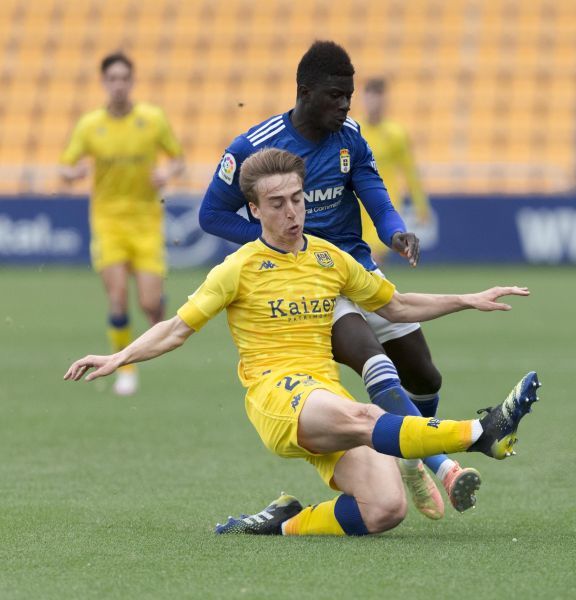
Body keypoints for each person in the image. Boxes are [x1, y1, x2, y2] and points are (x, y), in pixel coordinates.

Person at [64, 148, 541, 538]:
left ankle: (281, 522)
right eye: (276, 203)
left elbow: (395, 307)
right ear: (253, 209)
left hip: (323, 392)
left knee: (385, 509)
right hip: (276, 396)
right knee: (368, 414)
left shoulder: (328, 258)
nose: (291, 212)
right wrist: (120, 356)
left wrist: (466, 298)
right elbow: (176, 327)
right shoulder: (239, 267)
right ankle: (483, 433)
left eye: (297, 198)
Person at [198, 41, 474, 519]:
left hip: (355, 267)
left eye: (349, 94)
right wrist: (272, 242)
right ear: (304, 92)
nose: (346, 104)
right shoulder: (254, 147)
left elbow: (374, 192)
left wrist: (395, 231)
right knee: (371, 357)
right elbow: (210, 214)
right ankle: (440, 463)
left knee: (425, 375)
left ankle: (409, 459)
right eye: (335, 96)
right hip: (307, 282)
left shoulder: (350, 135)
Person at [60, 51, 185, 396]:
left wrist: (167, 173)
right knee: (117, 298)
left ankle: (156, 306)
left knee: (149, 305)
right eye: (111, 79)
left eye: (123, 79)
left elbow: (178, 160)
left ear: (132, 82)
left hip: (146, 222)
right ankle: (125, 369)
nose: (118, 85)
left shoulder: (153, 119)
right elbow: (65, 166)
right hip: (108, 221)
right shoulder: (89, 125)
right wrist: (74, 173)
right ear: (104, 83)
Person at [356, 78, 432, 264]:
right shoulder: (355, 131)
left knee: (373, 260)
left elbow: (410, 172)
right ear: (364, 99)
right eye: (370, 97)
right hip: (357, 205)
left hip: (383, 204)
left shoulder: (396, 133)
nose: (374, 102)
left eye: (378, 97)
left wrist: (421, 206)